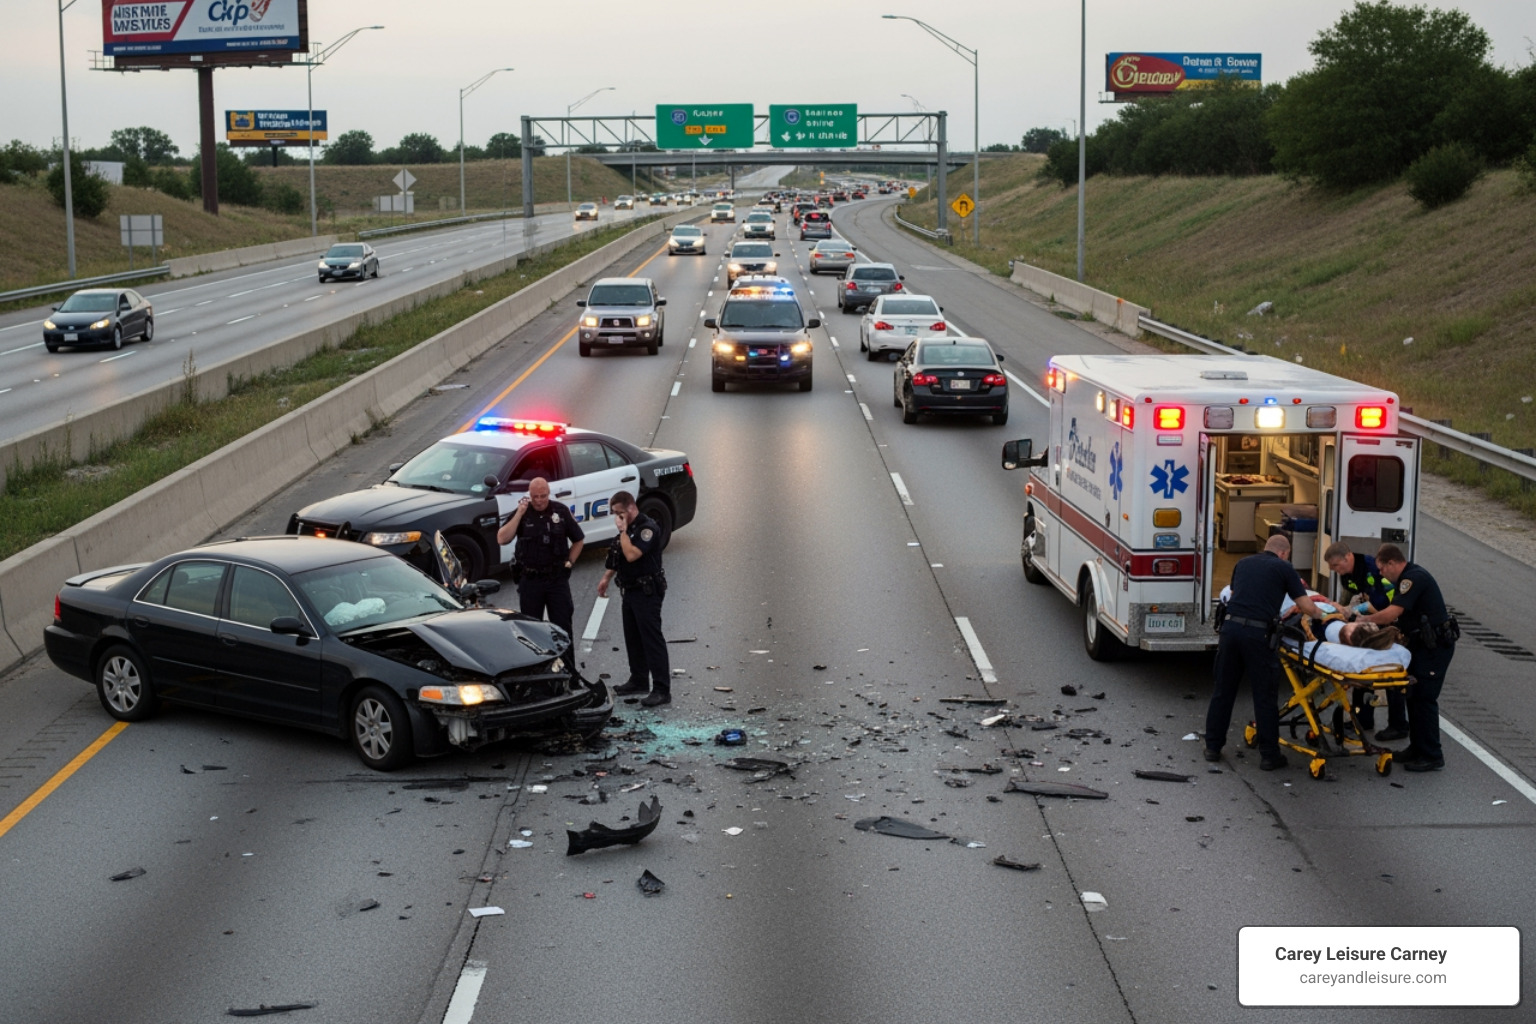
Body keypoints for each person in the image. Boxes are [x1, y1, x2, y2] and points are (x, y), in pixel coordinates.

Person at [1206, 535, 1325, 770]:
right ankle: (1270, 756)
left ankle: (1212, 747)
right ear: (1284, 553)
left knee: (1223, 690)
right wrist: (1325, 614)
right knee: (1264, 696)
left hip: (1230, 632)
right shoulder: (1284, 568)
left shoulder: (1243, 563)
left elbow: (1235, 593)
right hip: (1258, 635)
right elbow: (1305, 605)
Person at [1359, 544, 1456, 772]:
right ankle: (1417, 747)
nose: (1381, 574)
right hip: (1421, 646)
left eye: (1382, 569)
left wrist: (1361, 621)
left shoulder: (1412, 578)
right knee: (1412, 696)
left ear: (1392, 563)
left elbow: (1394, 612)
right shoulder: (1406, 580)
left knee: (1425, 699)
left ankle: (1432, 755)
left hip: (1435, 648)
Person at [1324, 542, 1408, 740]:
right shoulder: (1348, 574)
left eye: (1337, 566)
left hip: (1391, 622)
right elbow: (1354, 595)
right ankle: (1363, 718)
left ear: (1347, 557)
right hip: (1375, 621)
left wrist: (1353, 612)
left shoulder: (1371, 569)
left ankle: (1398, 725)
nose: (1336, 571)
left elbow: (1381, 603)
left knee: (1391, 673)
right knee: (1363, 669)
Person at [596, 491, 670, 708]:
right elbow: (617, 555)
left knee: (651, 639)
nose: (617, 518)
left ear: (630, 509)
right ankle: (638, 680)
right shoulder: (626, 531)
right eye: (614, 514)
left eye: (619, 513)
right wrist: (606, 578)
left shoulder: (647, 529)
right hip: (629, 590)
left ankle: (662, 689)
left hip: (647, 591)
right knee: (633, 638)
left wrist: (624, 531)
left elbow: (631, 554)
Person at [496, 477, 584, 639]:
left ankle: (567, 664)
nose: (539, 501)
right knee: (531, 629)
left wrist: (570, 561)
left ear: (548, 494)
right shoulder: (523, 512)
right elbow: (502, 539)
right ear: (530, 495)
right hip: (531, 581)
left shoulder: (560, 511)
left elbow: (578, 540)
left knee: (562, 628)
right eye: (535, 496)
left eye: (543, 496)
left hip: (556, 579)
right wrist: (519, 513)